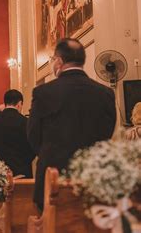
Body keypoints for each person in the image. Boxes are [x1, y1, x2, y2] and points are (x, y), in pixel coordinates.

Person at [27, 38, 116, 210]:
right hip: (91, 179)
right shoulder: (105, 93)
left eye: (53, 60)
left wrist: (49, 153)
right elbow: (107, 133)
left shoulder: (44, 92)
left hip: (52, 177)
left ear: (59, 61)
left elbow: (33, 134)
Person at [0, 90, 35, 178]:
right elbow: (33, 148)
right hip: (21, 172)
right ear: (19, 104)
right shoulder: (27, 122)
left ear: (5, 103)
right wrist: (23, 163)